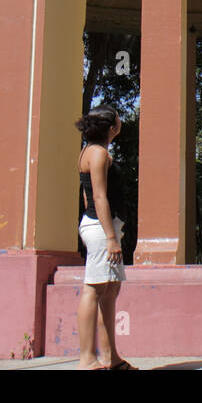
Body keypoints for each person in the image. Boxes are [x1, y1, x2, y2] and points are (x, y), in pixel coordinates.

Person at [75, 105, 136, 370]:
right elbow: (98, 197)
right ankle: (87, 359)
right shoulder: (98, 153)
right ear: (112, 127)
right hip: (102, 230)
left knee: (109, 290)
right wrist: (110, 237)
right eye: (118, 119)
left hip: (101, 227)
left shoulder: (90, 152)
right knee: (94, 288)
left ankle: (111, 359)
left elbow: (87, 194)